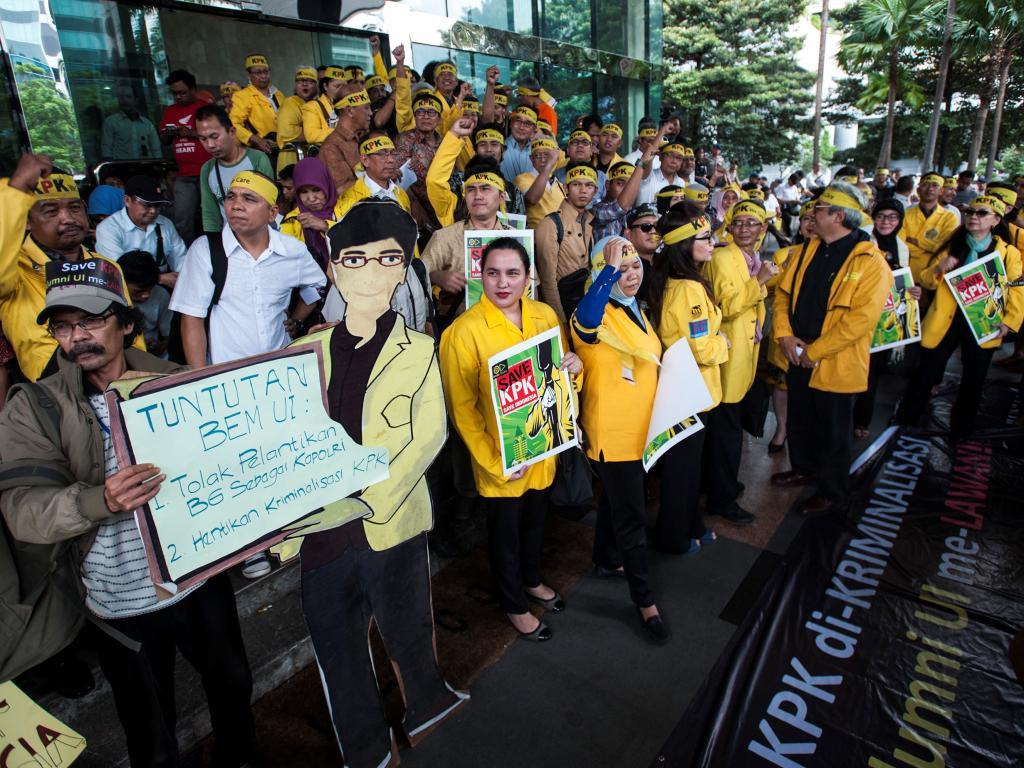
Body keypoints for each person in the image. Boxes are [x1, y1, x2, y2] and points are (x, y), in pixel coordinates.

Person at [0, 257, 257, 768]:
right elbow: (23, 511)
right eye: (64, 326)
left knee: (233, 690)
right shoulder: (34, 407)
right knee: (150, 731)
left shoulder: (182, 383)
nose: (77, 338)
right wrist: (101, 500)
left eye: (91, 321)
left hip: (197, 580)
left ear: (128, 324)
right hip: (117, 600)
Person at [271, 200, 467, 767]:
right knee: (337, 646)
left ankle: (426, 703)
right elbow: (280, 438)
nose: (372, 272)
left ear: (405, 269)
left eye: (388, 259)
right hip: (319, 528)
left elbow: (428, 435)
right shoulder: (298, 353)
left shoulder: (419, 348)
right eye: (355, 259)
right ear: (334, 270)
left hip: (391, 518)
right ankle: (366, 749)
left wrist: (369, 501)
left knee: (408, 623)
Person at [170, 170, 326, 577]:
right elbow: (191, 318)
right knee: (237, 464)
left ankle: (288, 530)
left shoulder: (291, 251)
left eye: (249, 199)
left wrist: (295, 321)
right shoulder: (207, 252)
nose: (236, 205)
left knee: (280, 453)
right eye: (232, 197)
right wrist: (200, 378)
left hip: (277, 375)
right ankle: (249, 545)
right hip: (225, 378)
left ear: (273, 210)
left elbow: (316, 288)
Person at [440, 237, 582, 640]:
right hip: (502, 458)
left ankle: (533, 580)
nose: (503, 283)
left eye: (512, 273)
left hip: (543, 445)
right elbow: (462, 410)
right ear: (479, 276)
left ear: (528, 277)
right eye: (493, 273)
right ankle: (514, 604)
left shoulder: (543, 316)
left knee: (537, 522)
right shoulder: (463, 333)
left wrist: (575, 366)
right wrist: (494, 460)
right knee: (504, 535)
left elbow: (562, 375)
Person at [771, 182, 892, 516]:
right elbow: (782, 294)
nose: (812, 214)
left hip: (833, 361)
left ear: (838, 216)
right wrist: (784, 335)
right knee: (800, 419)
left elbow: (860, 322)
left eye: (819, 210)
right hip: (796, 352)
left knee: (834, 432)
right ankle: (804, 468)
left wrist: (815, 351)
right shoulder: (808, 249)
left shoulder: (871, 262)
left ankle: (831, 491)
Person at [570, 236, 668, 642]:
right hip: (614, 434)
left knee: (614, 502)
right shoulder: (590, 313)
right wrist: (608, 268)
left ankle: (607, 560)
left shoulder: (636, 310)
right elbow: (588, 320)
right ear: (601, 274)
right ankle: (645, 602)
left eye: (634, 267)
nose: (631, 275)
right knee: (633, 517)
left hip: (641, 429)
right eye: (620, 269)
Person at [0, 155, 144, 381]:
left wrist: (141, 383)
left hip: (122, 385)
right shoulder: (15, 269)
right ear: (27, 221)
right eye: (51, 211)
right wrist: (16, 191)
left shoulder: (105, 266)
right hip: (57, 393)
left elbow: (131, 336)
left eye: (75, 208)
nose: (67, 218)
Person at [895, 195, 1024, 440]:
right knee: (926, 373)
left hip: (983, 322)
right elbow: (924, 279)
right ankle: (905, 420)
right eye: (970, 212)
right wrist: (938, 268)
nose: (973, 217)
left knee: (974, 379)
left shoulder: (1009, 254)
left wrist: (1010, 322)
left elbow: (1018, 290)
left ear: (996, 220)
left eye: (981, 213)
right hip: (946, 320)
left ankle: (961, 429)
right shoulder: (952, 245)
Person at [647, 209, 728, 552]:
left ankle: (691, 525)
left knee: (689, 470)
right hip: (690, 394)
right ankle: (674, 539)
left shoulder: (678, 280)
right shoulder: (689, 291)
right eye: (704, 238)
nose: (713, 243)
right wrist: (724, 341)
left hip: (689, 392)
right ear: (684, 246)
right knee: (682, 474)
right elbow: (700, 348)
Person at [703, 200, 776, 524]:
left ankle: (722, 483)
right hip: (726, 356)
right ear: (729, 227)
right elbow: (727, 306)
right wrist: (759, 280)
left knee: (727, 429)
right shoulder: (722, 257)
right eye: (739, 223)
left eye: (752, 223)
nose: (745, 228)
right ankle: (721, 497)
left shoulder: (751, 258)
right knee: (726, 433)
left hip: (743, 356)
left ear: (762, 229)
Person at [852, 198, 920, 438]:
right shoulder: (859, 240)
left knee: (874, 371)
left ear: (900, 221)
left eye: (892, 217)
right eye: (881, 216)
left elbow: (903, 280)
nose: (886, 222)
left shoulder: (902, 247)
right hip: (858, 313)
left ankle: (862, 420)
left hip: (886, 318)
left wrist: (914, 291)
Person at [95, 175, 187, 289]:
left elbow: (180, 258)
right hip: (126, 290)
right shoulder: (108, 229)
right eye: (147, 205)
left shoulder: (165, 224)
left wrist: (183, 277)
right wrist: (159, 278)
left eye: (157, 205)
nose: (153, 211)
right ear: (127, 201)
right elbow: (117, 270)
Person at [194, 104, 274, 234]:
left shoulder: (257, 160)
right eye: (203, 139)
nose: (210, 145)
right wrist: (215, 245)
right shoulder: (207, 170)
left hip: (260, 237)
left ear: (231, 132)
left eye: (215, 137)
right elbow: (210, 215)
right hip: (229, 241)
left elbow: (268, 205)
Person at [535, 162, 597, 323]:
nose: (583, 190)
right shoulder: (550, 224)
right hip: (561, 312)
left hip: (582, 310)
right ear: (565, 188)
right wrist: (561, 323)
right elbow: (547, 280)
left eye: (589, 185)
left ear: (595, 191)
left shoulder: (590, 221)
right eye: (576, 184)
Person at [160, 69, 211, 243]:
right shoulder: (170, 111)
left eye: (182, 92)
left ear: (193, 89)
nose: (178, 97)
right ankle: (188, 257)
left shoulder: (205, 108)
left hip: (207, 170)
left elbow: (216, 135)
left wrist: (191, 133)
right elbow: (164, 140)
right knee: (182, 219)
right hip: (184, 174)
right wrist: (169, 133)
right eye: (175, 94)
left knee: (212, 218)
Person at [280, 157, 339, 270]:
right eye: (303, 192)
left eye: (317, 189)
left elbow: (362, 242)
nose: (311, 198)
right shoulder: (292, 221)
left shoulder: (347, 208)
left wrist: (326, 226)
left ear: (327, 185)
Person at [903, 172, 959, 280]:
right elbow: (901, 244)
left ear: (941, 191)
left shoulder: (950, 217)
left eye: (935, 185)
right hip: (907, 271)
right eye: (925, 185)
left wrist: (917, 242)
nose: (930, 189)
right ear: (918, 190)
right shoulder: (905, 214)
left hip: (934, 273)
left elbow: (945, 247)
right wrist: (932, 247)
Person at [118, 249, 172, 356]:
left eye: (150, 289)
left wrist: (160, 346)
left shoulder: (161, 295)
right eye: (139, 291)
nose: (146, 295)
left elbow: (168, 335)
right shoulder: (112, 298)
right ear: (122, 282)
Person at [319, 89, 372, 193]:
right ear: (350, 111)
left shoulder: (363, 138)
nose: (370, 113)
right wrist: (379, 177)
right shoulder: (331, 147)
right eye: (366, 108)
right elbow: (343, 190)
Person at [229, 53, 283, 156]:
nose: (263, 76)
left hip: (284, 148)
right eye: (258, 73)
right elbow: (234, 124)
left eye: (266, 72)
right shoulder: (242, 96)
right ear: (249, 75)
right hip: (262, 151)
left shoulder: (278, 94)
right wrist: (257, 140)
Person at [515, 136, 565, 231]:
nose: (543, 160)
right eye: (538, 156)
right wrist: (548, 165)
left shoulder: (560, 185)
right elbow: (532, 199)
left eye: (547, 155)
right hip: (536, 238)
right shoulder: (522, 178)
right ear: (531, 158)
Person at [275, 66, 319, 173]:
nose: (305, 84)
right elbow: (286, 131)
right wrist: (314, 134)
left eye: (310, 81)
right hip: (291, 159)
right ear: (295, 86)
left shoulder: (316, 104)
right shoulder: (290, 103)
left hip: (310, 158)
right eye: (300, 81)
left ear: (316, 86)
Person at [101, 83, 161, 160]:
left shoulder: (147, 124)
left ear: (136, 100)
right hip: (122, 168)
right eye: (121, 97)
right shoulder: (110, 122)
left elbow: (156, 150)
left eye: (128, 97)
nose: (124, 100)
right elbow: (106, 149)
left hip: (145, 167)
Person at [301, 66, 347, 148]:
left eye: (344, 86)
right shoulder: (311, 107)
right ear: (325, 86)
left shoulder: (350, 104)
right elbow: (311, 135)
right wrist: (342, 132)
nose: (341, 90)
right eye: (337, 86)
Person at [554, 130, 605, 201]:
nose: (580, 145)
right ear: (568, 150)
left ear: (591, 151)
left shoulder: (602, 177)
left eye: (585, 142)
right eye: (575, 142)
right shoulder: (556, 175)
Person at [501, 105, 540, 180]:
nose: (521, 127)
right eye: (518, 121)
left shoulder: (539, 152)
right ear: (511, 123)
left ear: (534, 128)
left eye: (528, 123)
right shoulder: (498, 148)